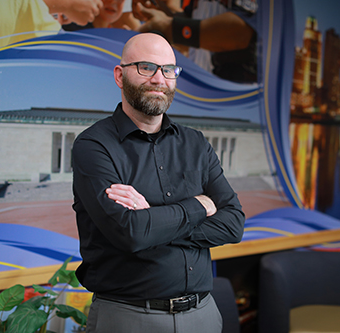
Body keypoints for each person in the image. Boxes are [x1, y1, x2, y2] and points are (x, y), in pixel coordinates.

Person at [72, 32, 245, 332]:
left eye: (168, 70)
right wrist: (197, 206)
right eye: (146, 67)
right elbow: (130, 233)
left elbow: (234, 224)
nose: (159, 79)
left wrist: (154, 220)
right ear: (119, 75)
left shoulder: (195, 143)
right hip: (129, 317)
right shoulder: (93, 146)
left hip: (202, 315)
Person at [131, 0, 258, 83]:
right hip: (203, 85)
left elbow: (240, 33)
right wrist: (160, 12)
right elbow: (192, 33)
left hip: (239, 92)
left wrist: (170, 27)